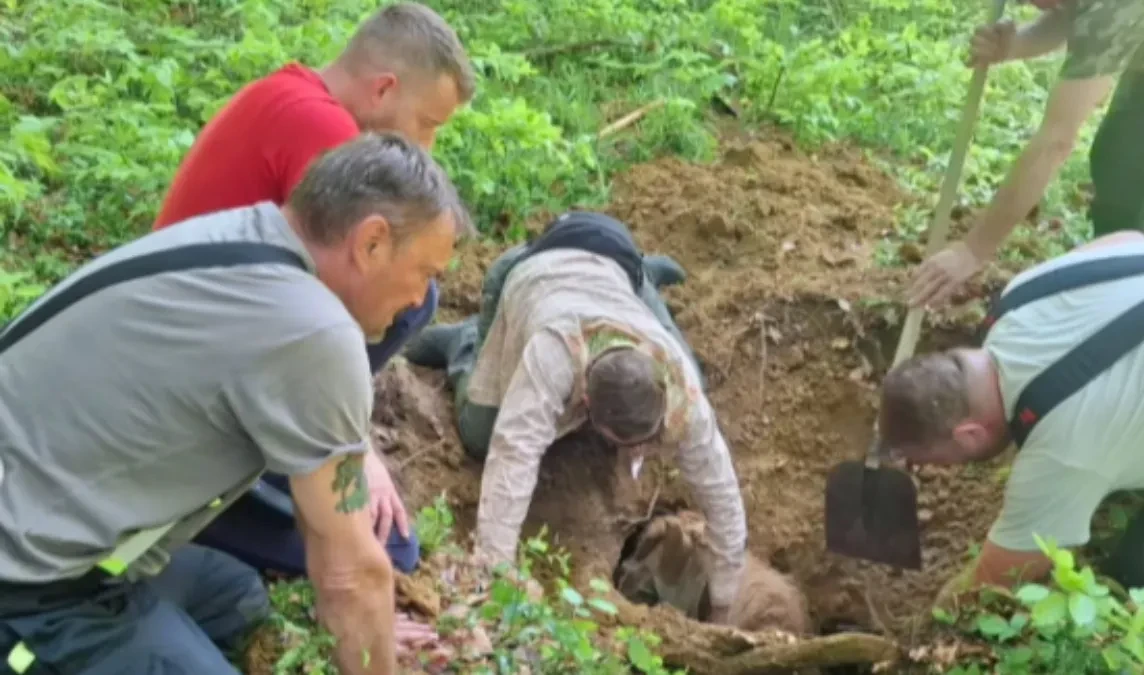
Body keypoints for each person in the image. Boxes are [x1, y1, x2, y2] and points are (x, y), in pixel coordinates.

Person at [0, 132, 467, 673]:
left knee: (234, 599)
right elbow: (351, 575)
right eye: (424, 274)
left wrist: (365, 622)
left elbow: (336, 547)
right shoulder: (311, 329)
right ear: (372, 243)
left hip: (37, 502)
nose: (419, 298)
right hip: (31, 580)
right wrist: (364, 626)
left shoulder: (248, 236)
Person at [150, 1, 476, 578]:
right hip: (195, 400)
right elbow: (326, 309)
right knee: (389, 552)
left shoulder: (287, 95)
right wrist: (350, 445)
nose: (426, 146)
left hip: (207, 354)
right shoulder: (325, 133)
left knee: (413, 294)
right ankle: (209, 519)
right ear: (384, 89)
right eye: (427, 123)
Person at [404, 211, 748, 623]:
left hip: (617, 264)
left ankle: (643, 281)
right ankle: (463, 341)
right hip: (532, 272)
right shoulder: (552, 356)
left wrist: (723, 602)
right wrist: (495, 572)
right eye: (621, 441)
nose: (635, 451)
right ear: (585, 400)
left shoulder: (677, 382)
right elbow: (513, 454)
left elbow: (720, 490)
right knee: (479, 432)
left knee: (697, 378)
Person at [880, 229, 1144, 603]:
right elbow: (1130, 238)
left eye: (939, 462)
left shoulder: (1061, 449)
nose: (940, 470)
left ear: (969, 434)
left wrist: (936, 608)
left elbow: (993, 581)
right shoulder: (1023, 293)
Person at [908, 0, 1144, 309]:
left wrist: (972, 251)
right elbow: (1075, 13)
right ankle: (1122, 285)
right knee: (1119, 163)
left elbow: (1055, 142)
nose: (1029, 4)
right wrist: (1015, 45)